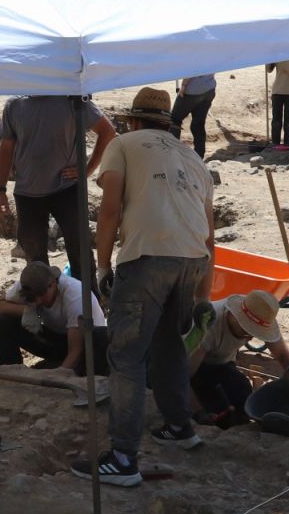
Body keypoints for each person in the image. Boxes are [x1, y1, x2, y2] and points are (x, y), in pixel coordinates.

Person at [73, 86, 214, 487]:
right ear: (167, 124)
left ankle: (122, 458)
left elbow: (110, 210)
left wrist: (103, 266)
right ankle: (180, 426)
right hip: (192, 259)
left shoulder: (122, 144)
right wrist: (204, 293)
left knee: (127, 356)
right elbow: (210, 234)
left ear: (133, 120)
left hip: (147, 256)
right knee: (169, 344)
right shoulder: (193, 158)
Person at [0, 95, 118, 269]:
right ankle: (42, 287)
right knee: (35, 260)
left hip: (67, 189)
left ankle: (86, 288)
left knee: (81, 254)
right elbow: (6, 147)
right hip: (27, 193)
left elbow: (107, 131)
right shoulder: (14, 105)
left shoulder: (70, 99)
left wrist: (87, 170)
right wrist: (1, 190)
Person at [182, 289, 289, 426]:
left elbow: (282, 354)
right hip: (188, 365)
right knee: (214, 408)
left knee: (242, 393)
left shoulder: (261, 311)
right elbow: (181, 377)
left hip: (220, 364)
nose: (250, 338)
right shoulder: (208, 327)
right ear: (235, 316)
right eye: (247, 331)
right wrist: (199, 412)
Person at [0, 260, 109, 374]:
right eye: (32, 297)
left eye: (41, 294)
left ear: (53, 284)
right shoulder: (26, 285)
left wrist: (56, 376)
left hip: (86, 346)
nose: (38, 301)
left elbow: (75, 351)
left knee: (97, 342)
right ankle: (12, 374)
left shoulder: (75, 296)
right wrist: (27, 311)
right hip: (55, 341)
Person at [169, 74, 216, 160]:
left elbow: (191, 71)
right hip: (209, 87)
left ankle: (173, 154)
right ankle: (199, 156)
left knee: (174, 120)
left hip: (192, 90)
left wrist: (183, 85)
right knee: (198, 124)